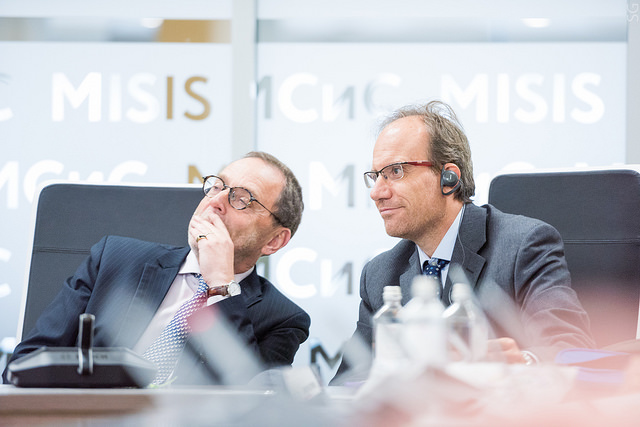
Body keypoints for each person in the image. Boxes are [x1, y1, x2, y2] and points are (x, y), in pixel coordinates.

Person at [332, 100, 595, 384]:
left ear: (449, 178)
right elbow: (347, 384)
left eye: (395, 171)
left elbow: (570, 347)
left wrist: (525, 363)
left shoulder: (523, 246)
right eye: (375, 176)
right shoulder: (380, 274)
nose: (377, 192)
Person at [3, 151, 310, 386]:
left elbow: (254, 409)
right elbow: (22, 366)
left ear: (274, 241)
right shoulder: (114, 259)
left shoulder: (283, 319)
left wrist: (220, 285)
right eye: (217, 186)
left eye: (241, 199)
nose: (215, 201)